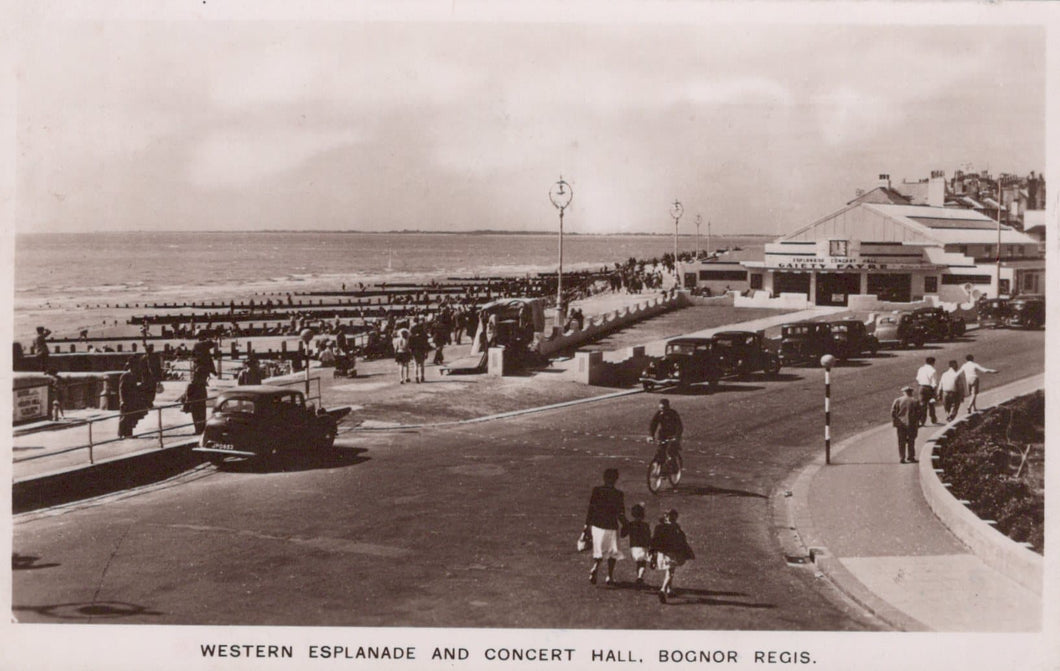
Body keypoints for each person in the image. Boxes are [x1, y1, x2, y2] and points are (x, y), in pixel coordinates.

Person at [583, 468, 628, 587]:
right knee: (612, 552)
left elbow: (591, 509)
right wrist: (626, 525)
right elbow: (620, 513)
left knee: (599, 550)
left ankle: (595, 567)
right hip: (611, 526)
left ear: (604, 478)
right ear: (615, 479)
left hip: (597, 526)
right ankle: (610, 576)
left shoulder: (596, 490)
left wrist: (586, 526)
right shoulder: (618, 494)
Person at [649, 508, 695, 604]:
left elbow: (654, 541)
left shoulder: (659, 527)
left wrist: (652, 554)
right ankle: (663, 589)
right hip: (672, 553)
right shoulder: (675, 527)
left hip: (663, 553)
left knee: (669, 570)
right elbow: (682, 540)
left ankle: (670, 590)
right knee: (670, 572)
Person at [621, 502, 652, 588]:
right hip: (643, 547)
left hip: (634, 548)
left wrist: (624, 525)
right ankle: (640, 577)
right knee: (643, 564)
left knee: (638, 563)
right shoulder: (645, 525)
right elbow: (648, 537)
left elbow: (623, 534)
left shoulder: (630, 524)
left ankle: (639, 578)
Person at [890, 385, 921, 464]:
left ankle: (902, 457)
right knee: (911, 440)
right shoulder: (915, 401)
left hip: (901, 424)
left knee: (901, 441)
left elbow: (893, 412)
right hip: (912, 423)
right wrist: (918, 422)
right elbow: (919, 413)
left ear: (904, 392)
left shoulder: (898, 400)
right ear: (911, 392)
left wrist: (895, 422)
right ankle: (911, 456)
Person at [648, 398, 683, 466]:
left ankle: (673, 467)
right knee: (660, 451)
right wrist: (651, 435)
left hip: (673, 434)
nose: (662, 410)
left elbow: (679, 426)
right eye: (661, 408)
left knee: (670, 451)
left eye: (664, 408)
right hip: (663, 434)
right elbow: (653, 425)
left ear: (668, 407)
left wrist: (676, 436)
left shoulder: (673, 413)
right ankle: (660, 467)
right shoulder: (659, 414)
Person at [118, 358, 143, 438]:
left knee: (130, 416)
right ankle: (120, 434)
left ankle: (128, 434)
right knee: (124, 417)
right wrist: (122, 400)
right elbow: (121, 389)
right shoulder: (125, 375)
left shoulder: (132, 375)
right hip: (126, 399)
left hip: (132, 399)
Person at [181, 366, 210, 434]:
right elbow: (205, 396)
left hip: (194, 404)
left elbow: (188, 397)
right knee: (202, 417)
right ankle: (202, 430)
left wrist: (186, 406)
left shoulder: (191, 385)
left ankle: (198, 430)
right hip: (201, 404)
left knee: (196, 417)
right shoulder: (203, 385)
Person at [915, 356, 939, 426]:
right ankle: (933, 418)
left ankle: (922, 421)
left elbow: (918, 379)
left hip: (921, 387)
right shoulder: (933, 370)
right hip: (929, 388)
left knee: (922, 405)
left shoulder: (921, 369)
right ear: (933, 362)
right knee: (931, 404)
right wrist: (935, 393)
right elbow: (934, 383)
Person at [409, 317, 431, 383]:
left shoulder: (412, 336)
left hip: (415, 351)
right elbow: (426, 344)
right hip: (422, 350)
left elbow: (410, 345)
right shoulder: (423, 334)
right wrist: (427, 352)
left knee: (415, 364)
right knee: (422, 364)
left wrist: (411, 352)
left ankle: (416, 377)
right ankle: (422, 376)